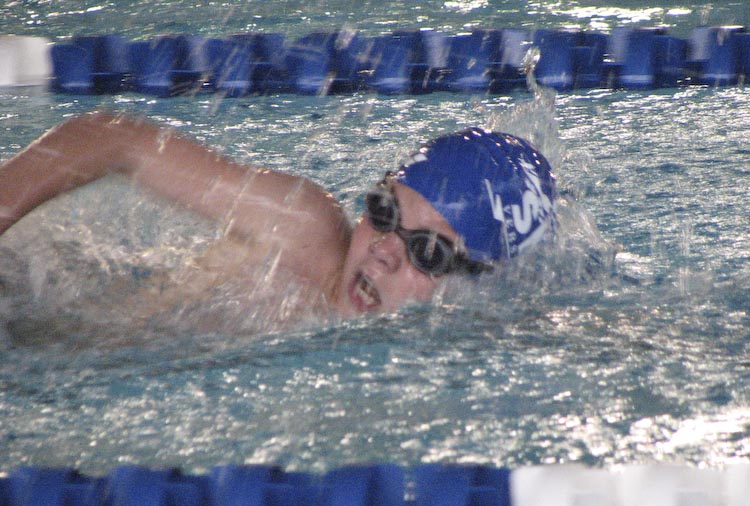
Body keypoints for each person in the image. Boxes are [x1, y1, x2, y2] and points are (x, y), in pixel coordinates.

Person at [0, 111, 556, 323]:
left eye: (428, 252)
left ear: (481, 282)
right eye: (384, 212)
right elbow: (114, 140)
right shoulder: (298, 229)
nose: (382, 250)